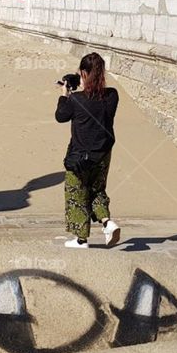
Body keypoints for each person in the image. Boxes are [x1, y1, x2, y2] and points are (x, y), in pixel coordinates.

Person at [54, 53, 121, 249]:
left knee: (77, 193)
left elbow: (60, 116)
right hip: (103, 154)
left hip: (80, 157)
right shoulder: (112, 95)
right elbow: (96, 99)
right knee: (97, 190)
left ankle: (81, 239)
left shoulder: (76, 100)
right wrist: (81, 85)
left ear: (84, 73)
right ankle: (108, 223)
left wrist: (64, 94)